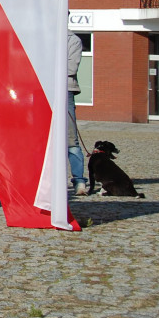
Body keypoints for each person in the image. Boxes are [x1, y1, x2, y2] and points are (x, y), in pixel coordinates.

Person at [67, 31, 87, 196]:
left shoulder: (73, 40)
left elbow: (71, 68)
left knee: (71, 140)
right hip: (41, 91)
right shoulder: (43, 38)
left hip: (65, 90)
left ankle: (79, 181)